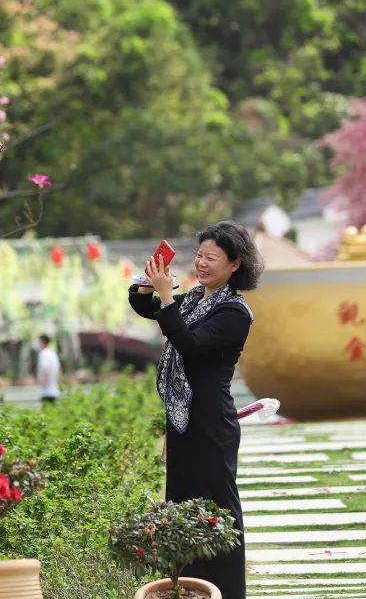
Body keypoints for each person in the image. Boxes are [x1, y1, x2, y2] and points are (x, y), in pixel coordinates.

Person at [129, 222, 263, 599]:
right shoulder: (192, 299)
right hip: (183, 421)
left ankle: (227, 592)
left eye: (211, 258)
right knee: (182, 506)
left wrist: (167, 298)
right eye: (199, 255)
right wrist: (148, 282)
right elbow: (148, 306)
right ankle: (185, 588)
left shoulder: (235, 312)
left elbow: (189, 343)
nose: (201, 263)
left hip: (210, 424)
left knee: (218, 511)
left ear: (235, 264)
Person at [36, 334, 61, 404]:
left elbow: (45, 368)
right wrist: (58, 382)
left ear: (42, 342)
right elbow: (58, 369)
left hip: (46, 389)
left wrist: (45, 381)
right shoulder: (52, 353)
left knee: (46, 410)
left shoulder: (43, 354)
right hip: (54, 388)